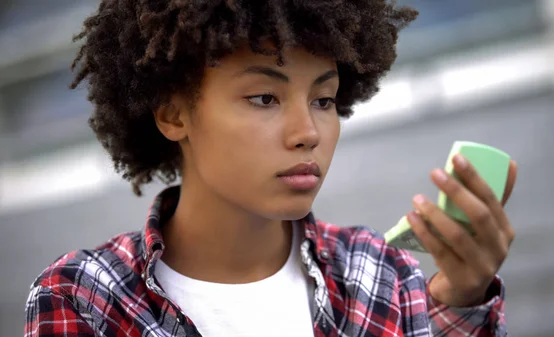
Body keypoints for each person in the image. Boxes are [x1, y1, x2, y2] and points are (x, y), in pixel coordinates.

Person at [24, 1, 518, 336]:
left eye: (324, 99)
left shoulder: (384, 276)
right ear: (173, 113)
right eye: (264, 98)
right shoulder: (83, 299)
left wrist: (460, 299)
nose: (308, 132)